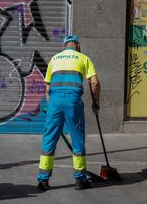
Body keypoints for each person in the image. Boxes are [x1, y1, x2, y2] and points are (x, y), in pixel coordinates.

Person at [37, 34, 101, 191]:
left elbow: (47, 86)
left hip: (55, 102)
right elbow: (94, 82)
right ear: (78, 45)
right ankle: (80, 179)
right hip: (73, 102)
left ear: (64, 46)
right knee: (77, 140)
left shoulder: (54, 59)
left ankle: (43, 180)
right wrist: (95, 103)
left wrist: (51, 105)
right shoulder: (83, 58)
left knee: (49, 139)